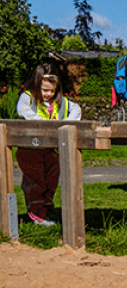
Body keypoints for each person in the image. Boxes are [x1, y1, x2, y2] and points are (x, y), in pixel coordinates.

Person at [16, 63, 81, 226]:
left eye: (52, 90)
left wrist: (65, 122)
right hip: (29, 148)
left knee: (51, 179)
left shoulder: (61, 102)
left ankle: (46, 210)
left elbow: (77, 109)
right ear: (36, 85)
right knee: (35, 180)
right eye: (45, 90)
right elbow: (22, 110)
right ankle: (36, 212)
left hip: (50, 149)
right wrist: (43, 123)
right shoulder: (28, 97)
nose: (48, 94)